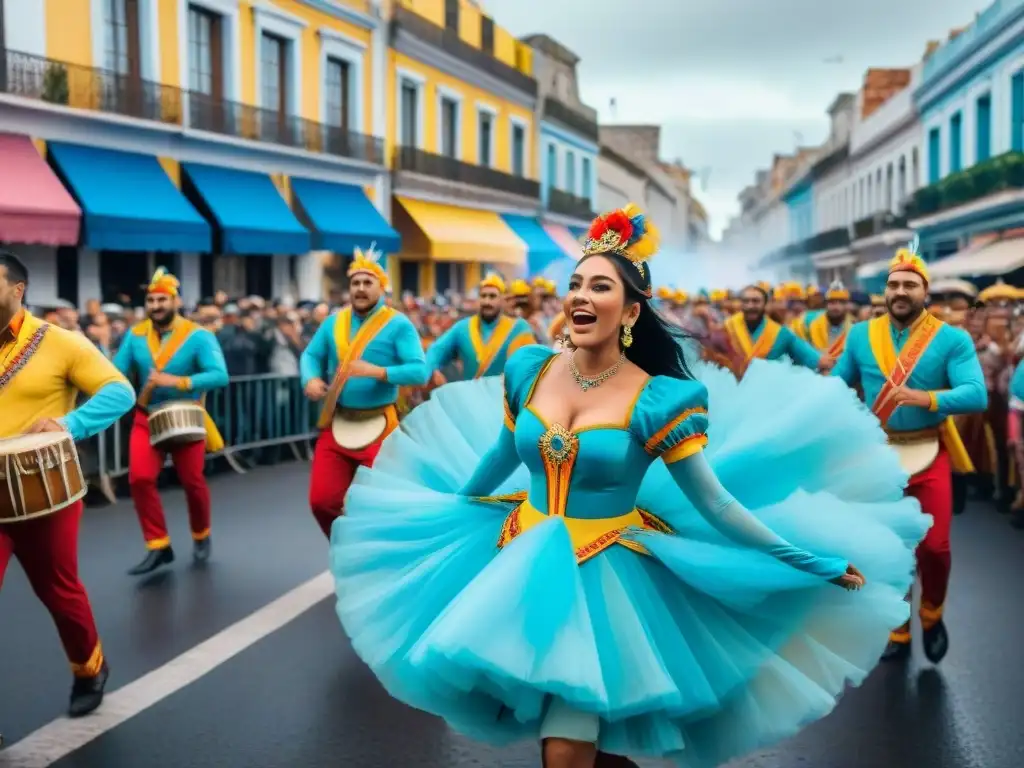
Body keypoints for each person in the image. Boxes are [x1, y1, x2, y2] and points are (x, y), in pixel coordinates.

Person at [328, 205, 930, 767]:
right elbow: (496, 460)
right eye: (576, 284)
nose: (581, 297)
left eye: (600, 286)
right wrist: (443, 512)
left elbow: (715, 502)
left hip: (608, 576)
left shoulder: (658, 399)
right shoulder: (528, 369)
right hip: (517, 553)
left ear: (631, 310)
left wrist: (810, 561)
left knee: (566, 750)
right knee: (585, 741)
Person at [832, 238, 986, 664]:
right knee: (887, 548)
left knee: (934, 547)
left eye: (910, 285)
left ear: (925, 293)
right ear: (886, 291)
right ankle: (897, 627)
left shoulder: (951, 340)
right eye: (894, 285)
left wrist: (927, 399)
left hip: (928, 452)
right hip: (878, 459)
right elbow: (839, 385)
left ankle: (932, 613)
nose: (900, 292)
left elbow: (976, 394)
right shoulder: (861, 335)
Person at [0, 250, 135, 716]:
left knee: (59, 590)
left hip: (44, 494)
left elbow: (120, 391)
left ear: (17, 291)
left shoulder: (62, 342)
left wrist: (69, 424)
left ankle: (89, 667)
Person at [301, 245, 429, 538]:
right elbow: (310, 355)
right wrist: (309, 379)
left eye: (367, 282)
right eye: (355, 283)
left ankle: (378, 558)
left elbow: (418, 371)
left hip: (380, 426)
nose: (360, 288)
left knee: (380, 506)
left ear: (381, 288)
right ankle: (347, 551)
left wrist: (378, 372)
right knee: (322, 502)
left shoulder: (398, 324)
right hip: (337, 423)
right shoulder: (334, 322)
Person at [114, 269, 229, 576]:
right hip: (146, 416)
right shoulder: (135, 335)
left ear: (175, 301)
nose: (156, 305)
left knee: (192, 481)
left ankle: (201, 533)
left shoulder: (198, 335)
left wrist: (177, 381)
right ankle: (158, 544)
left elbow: (220, 375)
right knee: (139, 479)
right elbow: (116, 372)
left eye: (162, 299)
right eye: (151, 300)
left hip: (186, 416)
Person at [425, 273, 535, 383]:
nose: (487, 302)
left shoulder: (519, 328)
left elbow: (533, 365)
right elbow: (436, 351)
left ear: (502, 299)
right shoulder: (462, 328)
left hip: (505, 398)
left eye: (492, 296)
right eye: (483, 296)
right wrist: (431, 370)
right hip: (472, 398)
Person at [722, 283, 832, 379]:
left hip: (770, 393)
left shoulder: (781, 333)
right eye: (746, 301)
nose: (750, 306)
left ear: (765, 304)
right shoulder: (726, 328)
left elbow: (814, 359)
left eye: (755, 301)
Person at [806, 279, 853, 358]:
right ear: (826, 305)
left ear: (846, 305)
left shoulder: (854, 327)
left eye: (841, 303)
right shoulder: (813, 326)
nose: (836, 307)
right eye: (832, 302)